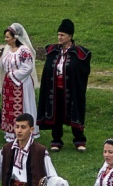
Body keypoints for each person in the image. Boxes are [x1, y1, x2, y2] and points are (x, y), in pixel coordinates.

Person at [37, 19, 91, 152]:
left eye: (62, 35)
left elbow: (83, 72)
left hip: (72, 90)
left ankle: (79, 140)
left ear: (70, 37)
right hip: (55, 90)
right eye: (58, 35)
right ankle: (56, 140)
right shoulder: (52, 51)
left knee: (74, 112)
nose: (59, 37)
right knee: (55, 113)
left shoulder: (79, 53)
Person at [0, 23, 39, 143]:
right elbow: (2, 64)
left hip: (21, 84)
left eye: (8, 37)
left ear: (15, 37)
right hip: (9, 85)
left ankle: (25, 132)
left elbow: (28, 67)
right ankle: (11, 132)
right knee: (9, 108)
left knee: (23, 106)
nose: (6, 40)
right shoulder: (8, 50)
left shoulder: (24, 51)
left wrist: (13, 75)